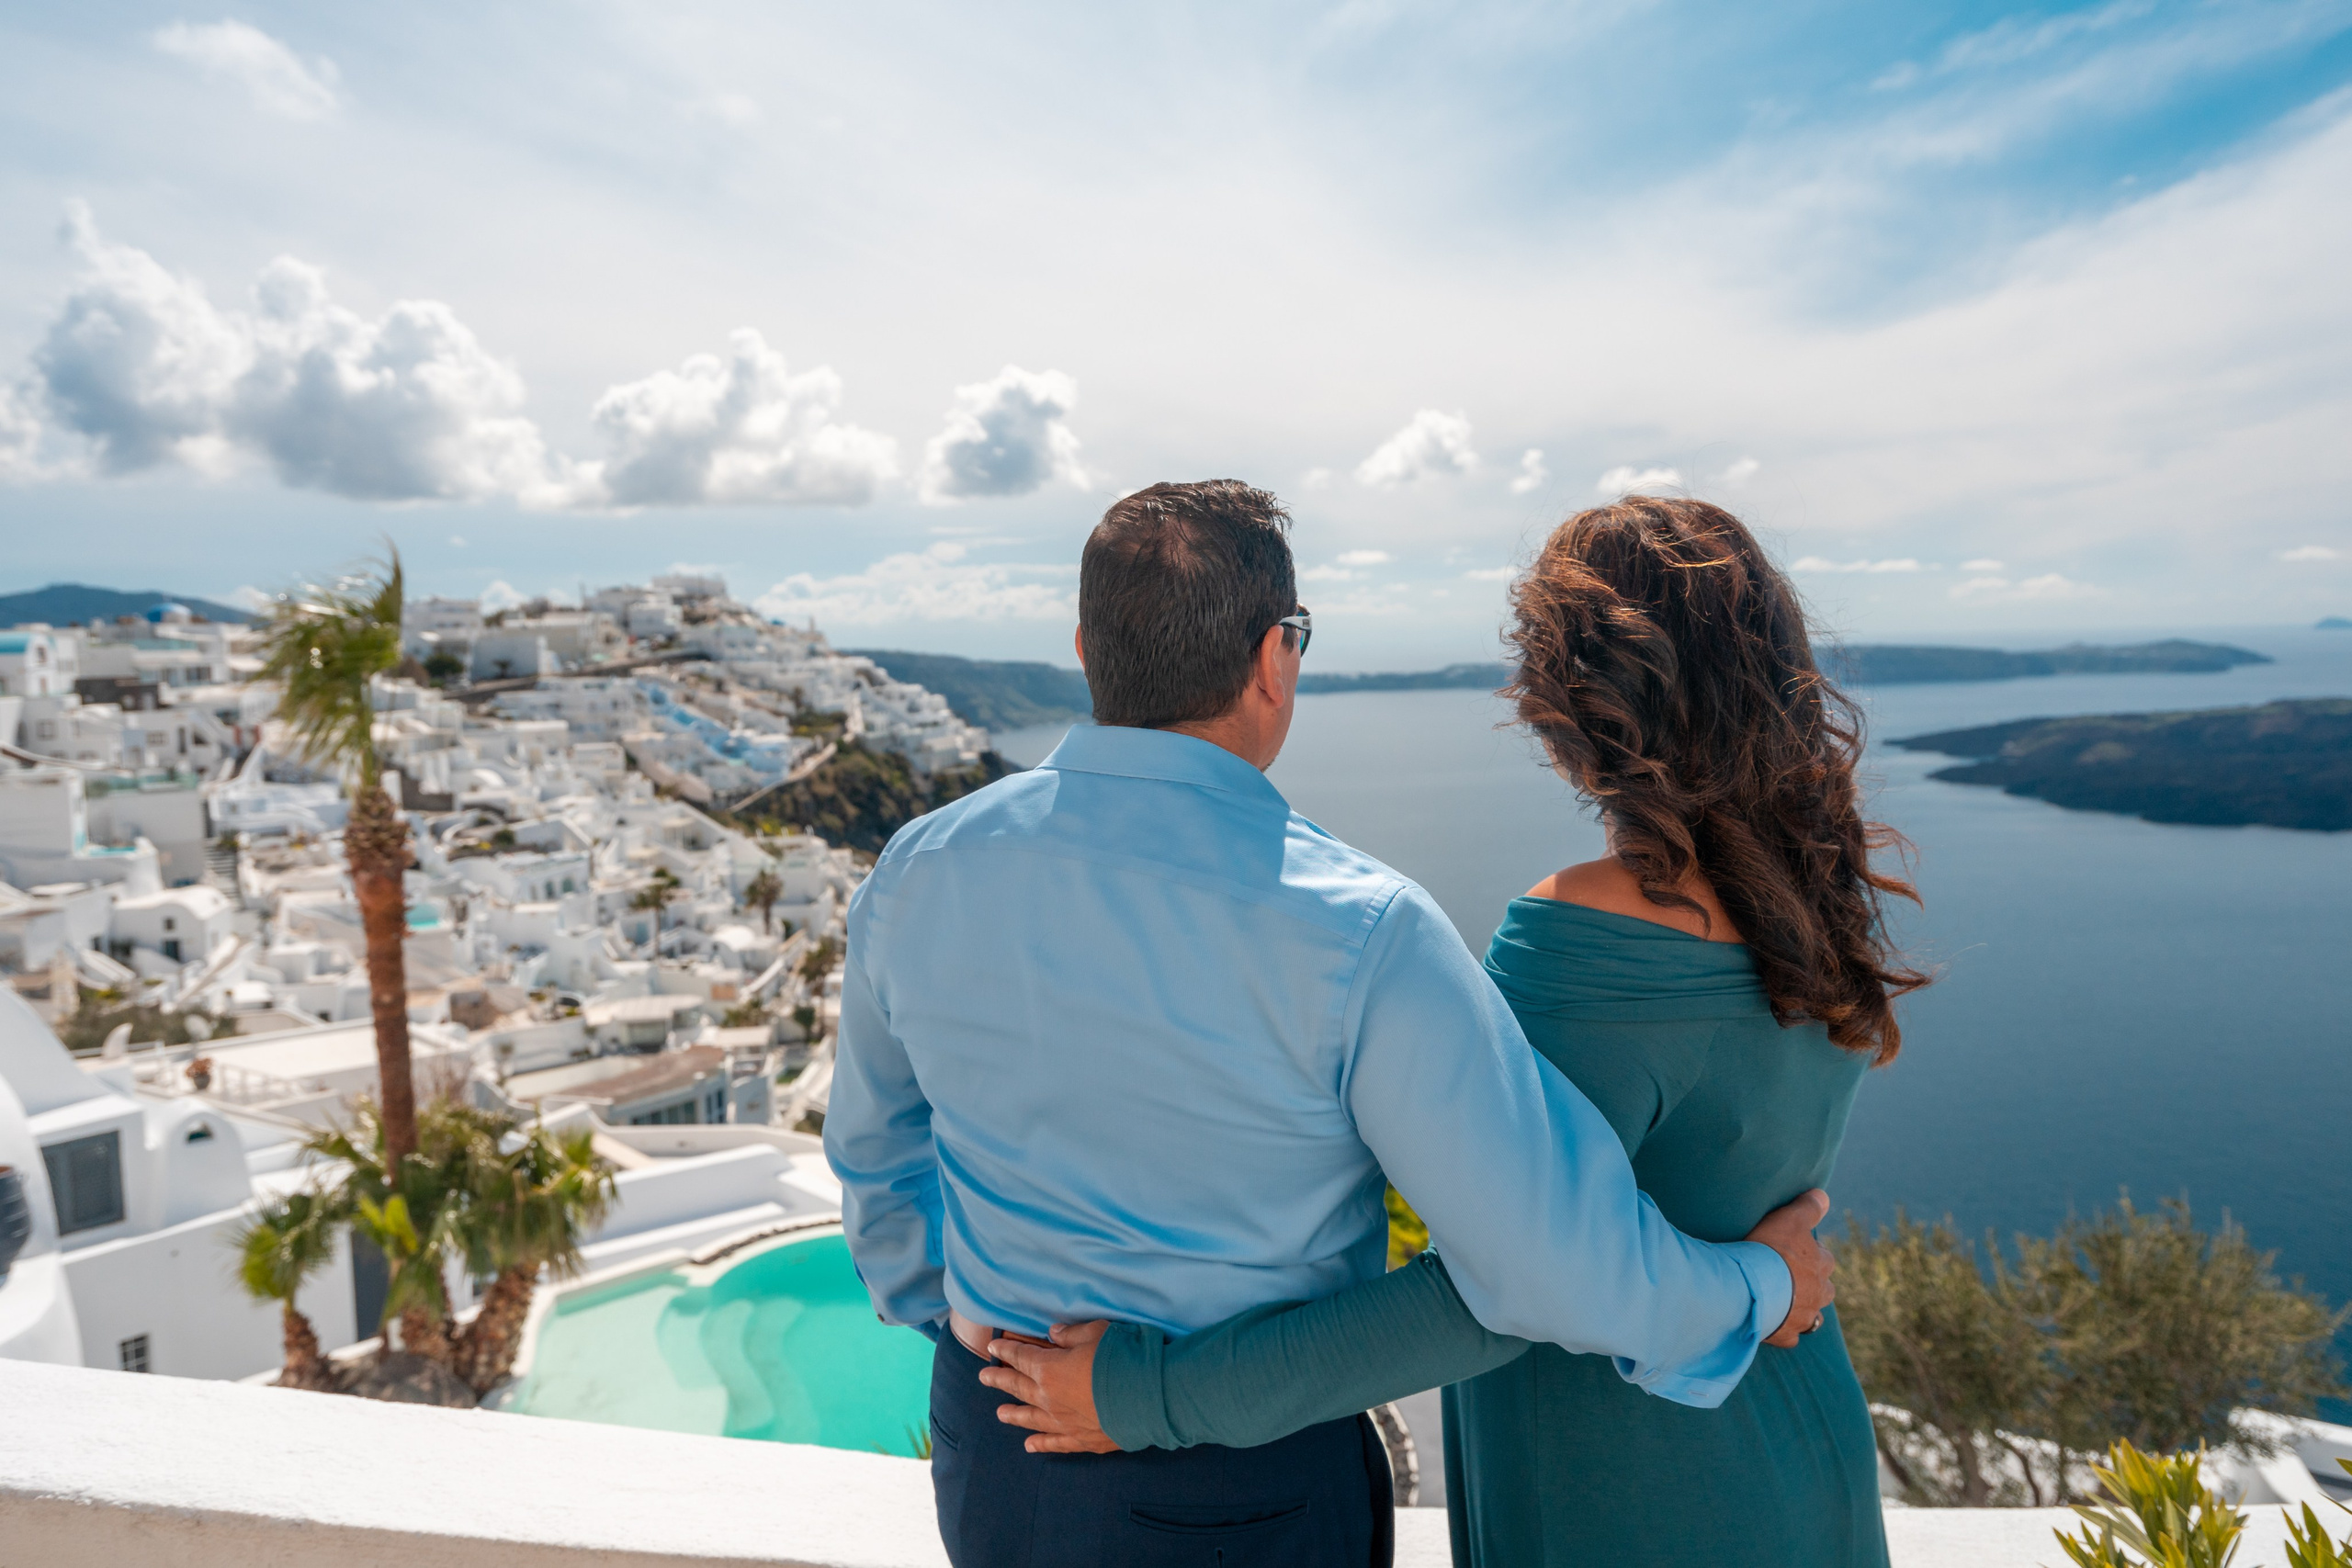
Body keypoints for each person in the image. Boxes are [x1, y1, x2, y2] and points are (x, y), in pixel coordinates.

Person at [824, 481, 1836, 1568]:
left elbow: (878, 1161)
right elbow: (1542, 1263)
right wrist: (1760, 1284)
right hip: (1245, 1487)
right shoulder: (1359, 928)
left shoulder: (920, 869)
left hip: (999, 1445)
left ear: (1085, 648)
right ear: (1275, 658)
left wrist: (973, 1334)